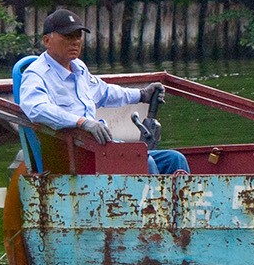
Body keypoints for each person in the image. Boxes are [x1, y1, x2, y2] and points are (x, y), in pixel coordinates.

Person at [17, 10, 189, 175]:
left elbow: (105, 92)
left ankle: (180, 204)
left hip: (96, 148)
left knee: (174, 159)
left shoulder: (79, 68)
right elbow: (37, 109)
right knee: (143, 161)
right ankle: (151, 205)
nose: (75, 41)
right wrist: (81, 122)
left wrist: (142, 94)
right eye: (68, 36)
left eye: (78, 36)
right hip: (69, 155)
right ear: (47, 41)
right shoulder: (36, 74)